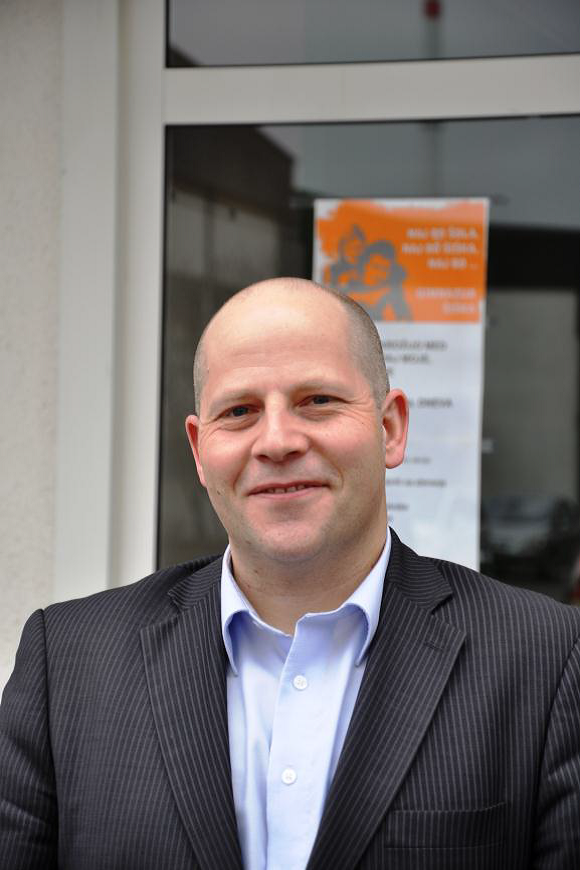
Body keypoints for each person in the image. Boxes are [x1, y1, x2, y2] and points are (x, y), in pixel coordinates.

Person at [1, 277, 580, 870]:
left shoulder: (545, 659)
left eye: (318, 400)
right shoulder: (68, 662)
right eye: (239, 411)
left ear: (390, 428)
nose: (276, 441)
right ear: (199, 451)